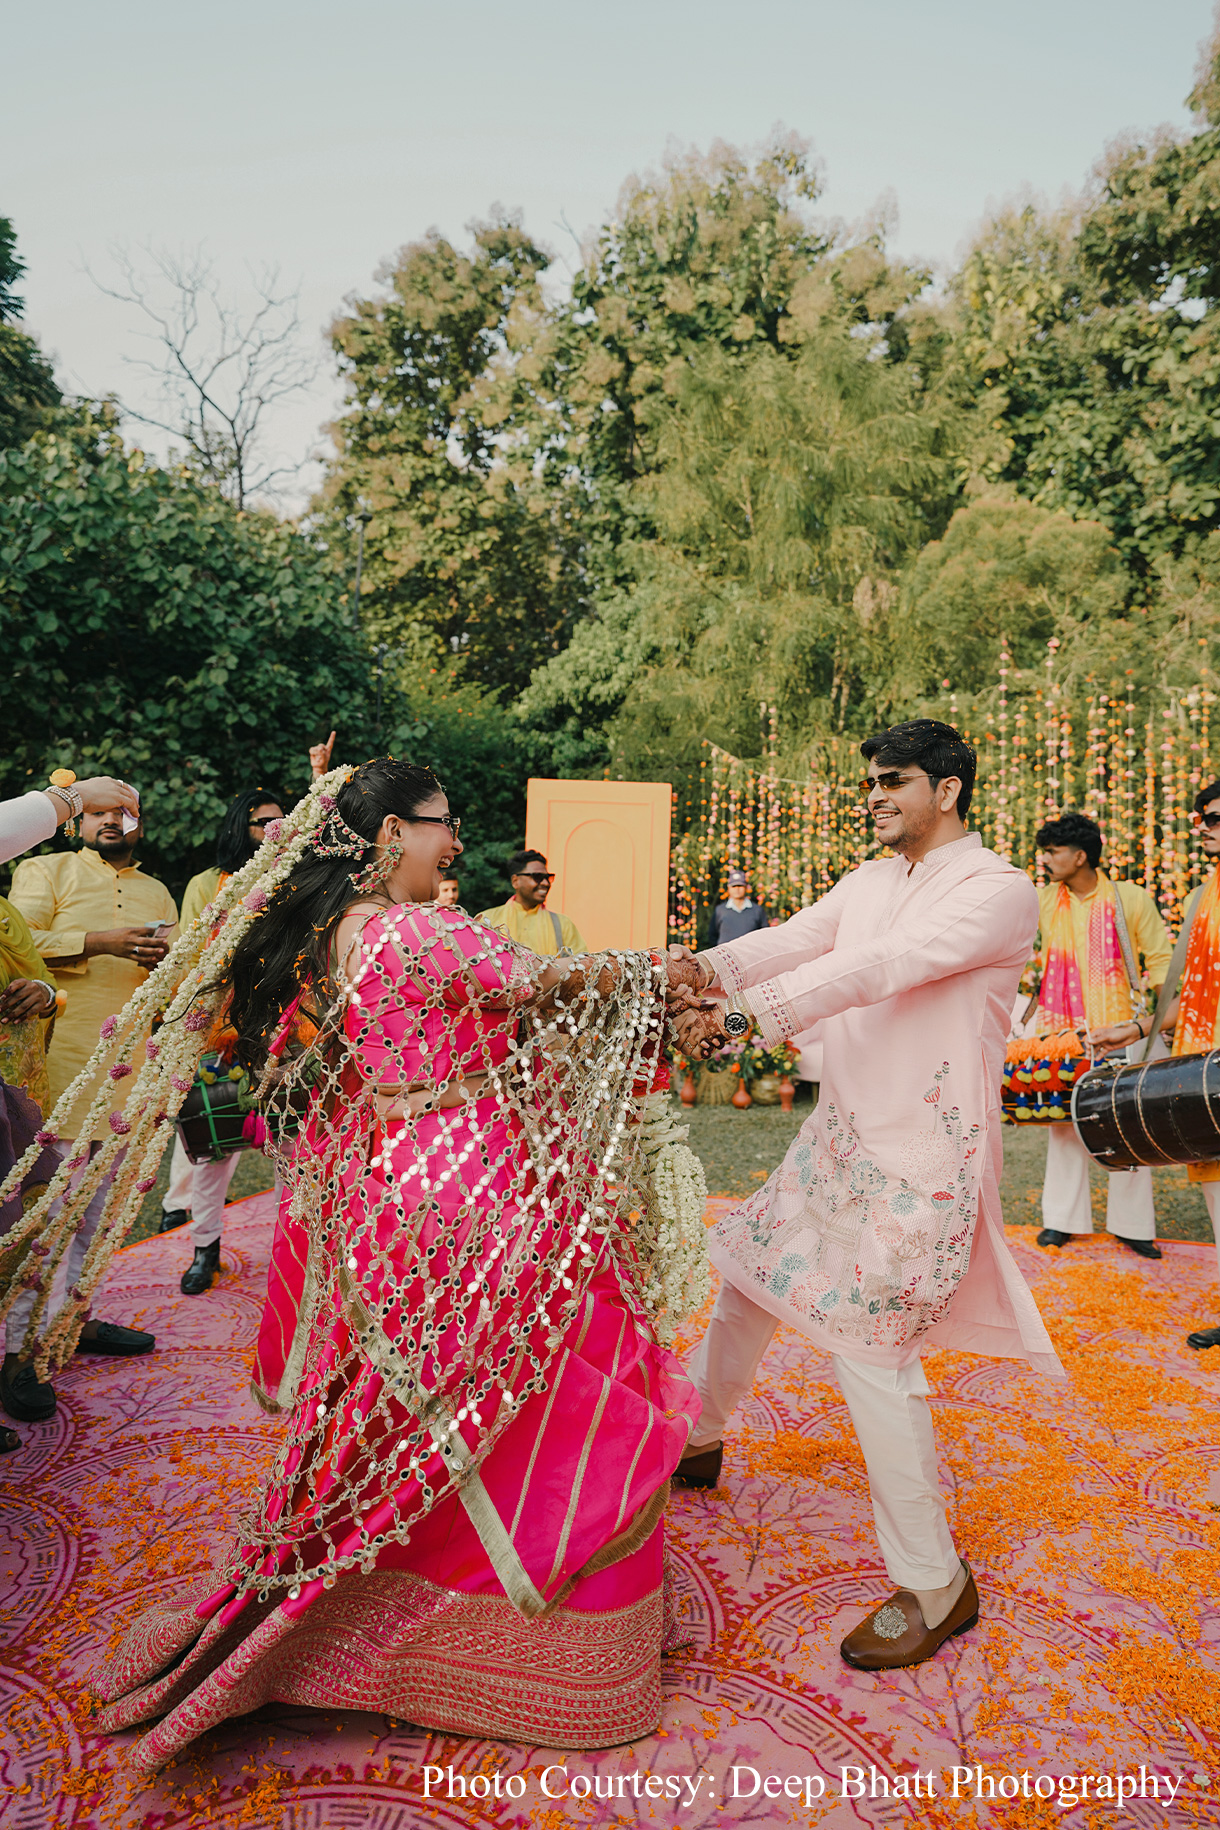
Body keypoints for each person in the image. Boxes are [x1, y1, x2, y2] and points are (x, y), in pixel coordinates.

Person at [62, 759, 701, 1765]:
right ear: (393, 831)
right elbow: (549, 982)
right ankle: (541, 1644)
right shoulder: (419, 929)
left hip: (405, 1188)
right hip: (480, 1183)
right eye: (445, 825)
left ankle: (398, 1605)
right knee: (554, 1387)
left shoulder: (341, 936)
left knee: (437, 1406)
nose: (456, 845)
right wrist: (669, 971)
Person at [668, 719, 1060, 1672]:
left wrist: (744, 1017)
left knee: (872, 1354)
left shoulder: (997, 892)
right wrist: (689, 971)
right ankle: (698, 1440)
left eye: (896, 781)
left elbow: (884, 967)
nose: (877, 795)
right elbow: (798, 940)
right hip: (840, 1137)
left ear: (951, 790)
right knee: (750, 1275)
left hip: (924, 1157)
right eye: (872, 781)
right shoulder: (873, 879)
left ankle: (934, 1583)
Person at [2, 793, 178, 1424]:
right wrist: (98, 940)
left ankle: (70, 1321)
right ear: (77, 821)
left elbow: (171, 973)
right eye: (102, 812)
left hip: (130, 1077)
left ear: (142, 824)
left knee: (99, 1216)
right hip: (58, 1073)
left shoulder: (159, 890)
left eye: (127, 813)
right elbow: (19, 945)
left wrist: (173, 964)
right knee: (48, 1219)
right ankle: (20, 1354)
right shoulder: (44, 872)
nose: (113, 821)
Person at [160, 787, 287, 1295]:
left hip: (287, 1036)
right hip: (221, 1037)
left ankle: (290, 1253)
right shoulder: (208, 885)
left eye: (282, 823)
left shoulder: (298, 883)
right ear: (241, 829)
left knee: (291, 1152)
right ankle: (204, 1249)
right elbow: (194, 957)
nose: (275, 832)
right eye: (263, 823)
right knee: (214, 1149)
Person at [1030, 811, 1172, 1259]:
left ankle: (1132, 1226)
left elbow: (1163, 963)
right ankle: (1061, 1221)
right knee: (1065, 1126)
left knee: (1127, 1123)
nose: (1046, 860)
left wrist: (1156, 1017)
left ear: (1080, 855)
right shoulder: (1044, 901)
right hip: (1063, 1032)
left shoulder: (1130, 898)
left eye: (1053, 852)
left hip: (1122, 1028)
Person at [1154, 779, 1220, 1350]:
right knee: (1218, 1192)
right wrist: (1137, 1030)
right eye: (1203, 820)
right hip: (1206, 1068)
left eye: (1216, 819)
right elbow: (1193, 985)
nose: (1206, 830)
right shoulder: (1204, 896)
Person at [0, 775, 140, 866]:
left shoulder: (159, 891)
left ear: (142, 829)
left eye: (123, 816)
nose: (110, 821)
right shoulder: (43, 869)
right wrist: (76, 797)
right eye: (97, 813)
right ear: (80, 826)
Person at [476, 848, 584, 954]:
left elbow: (583, 966)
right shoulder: (487, 920)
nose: (545, 883)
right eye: (537, 877)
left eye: (548, 877)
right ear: (515, 881)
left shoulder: (563, 924)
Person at [709, 870, 771, 945]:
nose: (737, 889)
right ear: (728, 888)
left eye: (740, 886)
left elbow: (765, 935)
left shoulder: (757, 910)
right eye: (734, 886)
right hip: (725, 955)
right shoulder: (720, 910)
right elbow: (712, 935)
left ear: (746, 887)